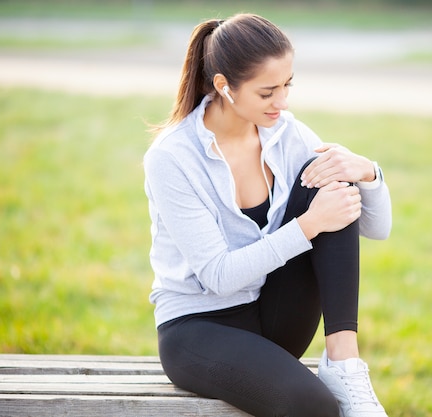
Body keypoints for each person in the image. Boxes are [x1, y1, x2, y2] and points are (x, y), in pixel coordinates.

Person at [143, 13, 392, 417]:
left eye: (287, 85)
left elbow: (375, 229)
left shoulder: (288, 135)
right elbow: (218, 276)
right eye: (267, 92)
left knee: (334, 179)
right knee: (313, 407)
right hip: (198, 329)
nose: (283, 102)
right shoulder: (172, 157)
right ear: (224, 86)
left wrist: (367, 172)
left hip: (275, 317)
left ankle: (345, 364)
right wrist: (309, 225)